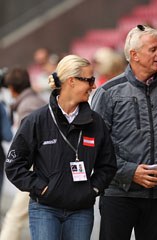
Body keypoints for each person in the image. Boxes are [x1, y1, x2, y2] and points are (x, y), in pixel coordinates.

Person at [91, 25, 157, 240]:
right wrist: (130, 172)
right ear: (134, 55)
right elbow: (94, 145)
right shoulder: (108, 93)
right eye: (153, 49)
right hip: (118, 194)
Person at [5, 55, 117, 240]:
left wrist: (93, 190)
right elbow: (14, 165)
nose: (94, 86)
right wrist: (41, 188)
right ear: (71, 81)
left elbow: (108, 165)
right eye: (89, 80)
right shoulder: (36, 120)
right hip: (45, 210)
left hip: (81, 211)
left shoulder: (96, 122)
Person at [0, 67, 46, 240]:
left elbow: (29, 145)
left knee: (14, 218)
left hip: (36, 170)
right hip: (41, 170)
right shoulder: (36, 100)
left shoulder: (28, 107)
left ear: (11, 88)